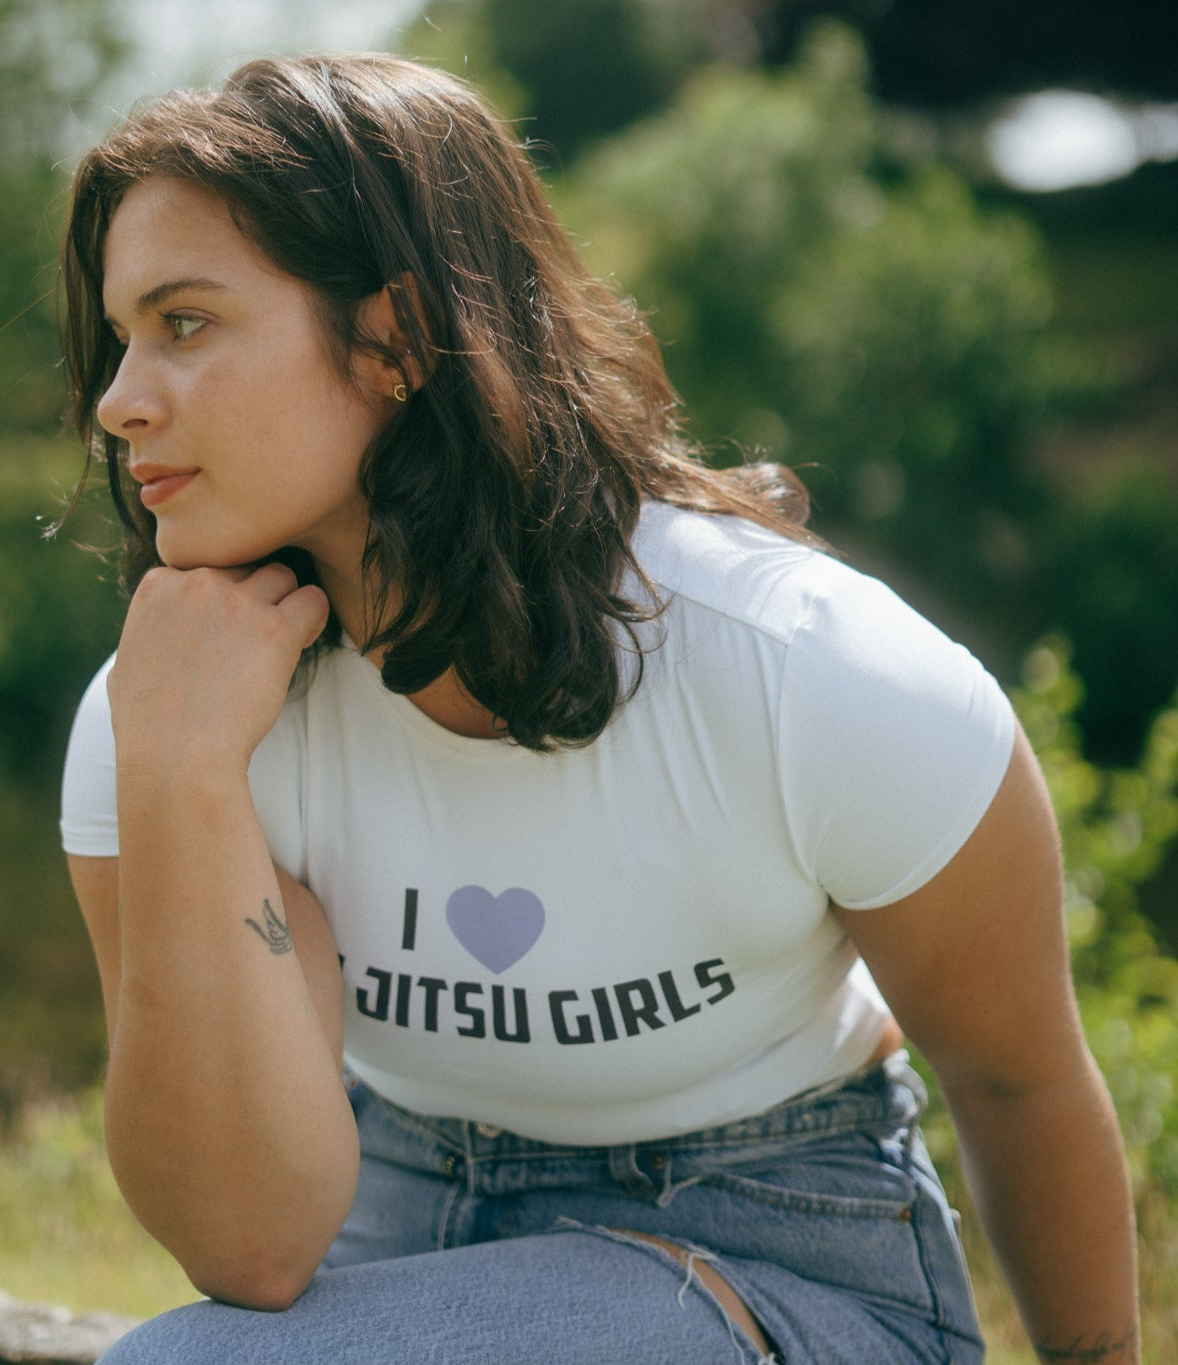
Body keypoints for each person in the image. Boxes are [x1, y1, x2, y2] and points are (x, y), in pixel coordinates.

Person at [57, 53, 1138, 1365]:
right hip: (395, 1244)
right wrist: (182, 781)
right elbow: (252, 1244)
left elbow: (1017, 1083)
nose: (118, 401)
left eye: (183, 323)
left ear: (393, 334)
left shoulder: (805, 674)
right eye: (121, 336)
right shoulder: (171, 714)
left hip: (783, 1259)